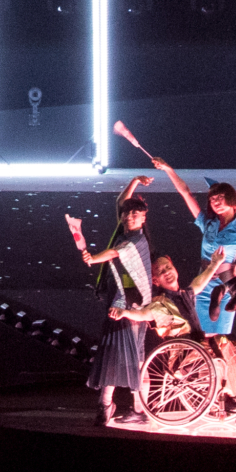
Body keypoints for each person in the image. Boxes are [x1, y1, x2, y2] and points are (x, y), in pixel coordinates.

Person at [135, 133, 236, 427]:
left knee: (223, 341)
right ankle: (211, 394)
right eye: (212, 199)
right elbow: (186, 194)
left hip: (226, 290)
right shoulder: (208, 224)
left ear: (232, 201)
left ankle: (230, 395)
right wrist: (168, 170)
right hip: (202, 287)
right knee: (200, 341)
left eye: (220, 199)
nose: (215, 203)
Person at [65, 179, 155, 426]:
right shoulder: (122, 231)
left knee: (134, 358)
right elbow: (120, 201)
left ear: (144, 218)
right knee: (111, 353)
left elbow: (117, 252)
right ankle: (108, 405)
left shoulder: (137, 240)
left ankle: (136, 409)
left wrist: (93, 259)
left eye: (137, 213)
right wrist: (135, 181)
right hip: (118, 300)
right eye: (128, 213)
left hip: (134, 305)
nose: (131, 216)